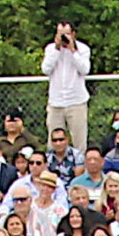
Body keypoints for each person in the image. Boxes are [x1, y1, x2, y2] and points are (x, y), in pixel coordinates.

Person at [43, 21, 94, 152]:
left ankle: (81, 169)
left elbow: (85, 69)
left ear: (73, 34)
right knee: (53, 141)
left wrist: (72, 50)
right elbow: (46, 69)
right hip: (56, 102)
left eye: (66, 34)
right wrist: (57, 48)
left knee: (79, 141)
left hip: (76, 101)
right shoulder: (50, 49)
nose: (63, 37)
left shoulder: (83, 49)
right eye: (60, 34)